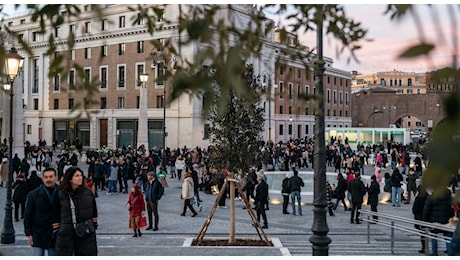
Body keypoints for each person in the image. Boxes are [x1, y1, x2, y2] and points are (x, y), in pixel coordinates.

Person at [52, 167, 98, 256]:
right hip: (66, 233)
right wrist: (57, 229)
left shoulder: (88, 193)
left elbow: (94, 210)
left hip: (86, 233)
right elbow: (55, 213)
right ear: (70, 179)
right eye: (77, 176)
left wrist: (93, 224)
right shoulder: (61, 194)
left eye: (81, 175)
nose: (80, 177)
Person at [24, 167, 60, 256]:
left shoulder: (62, 193)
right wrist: (29, 234)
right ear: (43, 179)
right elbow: (27, 215)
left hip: (55, 234)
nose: (48, 179)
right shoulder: (33, 195)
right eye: (46, 177)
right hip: (38, 233)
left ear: (56, 178)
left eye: (51, 177)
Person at [423, 187, 455, 256]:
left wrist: (425, 221)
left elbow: (426, 210)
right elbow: (453, 210)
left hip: (434, 221)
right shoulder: (449, 198)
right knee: (448, 238)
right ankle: (450, 253)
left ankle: (435, 253)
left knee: (434, 237)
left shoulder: (431, 198)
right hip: (447, 221)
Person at [412, 185, 428, 254]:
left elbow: (415, 210)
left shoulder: (418, 198)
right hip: (427, 218)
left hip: (420, 218)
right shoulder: (428, 197)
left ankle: (424, 247)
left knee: (422, 233)